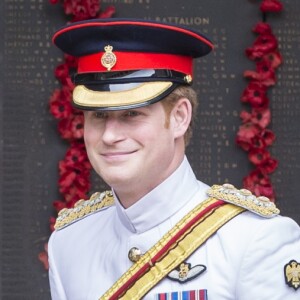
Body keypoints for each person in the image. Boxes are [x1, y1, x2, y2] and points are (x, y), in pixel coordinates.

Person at [48, 18, 300, 300]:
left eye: (132, 114)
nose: (109, 136)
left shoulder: (254, 240)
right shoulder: (69, 243)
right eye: (98, 116)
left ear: (180, 117)